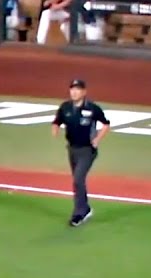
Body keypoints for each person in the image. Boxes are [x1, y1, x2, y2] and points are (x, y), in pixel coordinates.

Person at [51, 79, 110, 227]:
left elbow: (106, 124)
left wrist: (97, 139)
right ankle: (85, 208)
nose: (74, 92)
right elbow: (57, 121)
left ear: (84, 92)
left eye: (77, 89)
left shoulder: (92, 108)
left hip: (87, 150)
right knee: (78, 182)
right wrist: (55, 129)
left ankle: (79, 214)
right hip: (72, 149)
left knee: (78, 179)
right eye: (72, 89)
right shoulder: (65, 107)